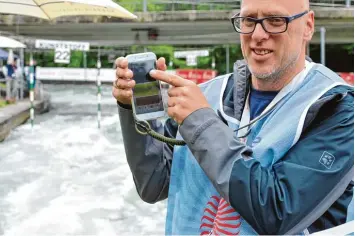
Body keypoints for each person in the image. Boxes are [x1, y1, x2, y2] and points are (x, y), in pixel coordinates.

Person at [113, 0, 354, 234]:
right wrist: (132, 111)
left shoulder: (337, 107)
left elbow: (278, 213)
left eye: (275, 20)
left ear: (308, 26)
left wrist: (200, 122)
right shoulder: (205, 95)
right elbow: (154, 184)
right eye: (249, 20)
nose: (258, 34)